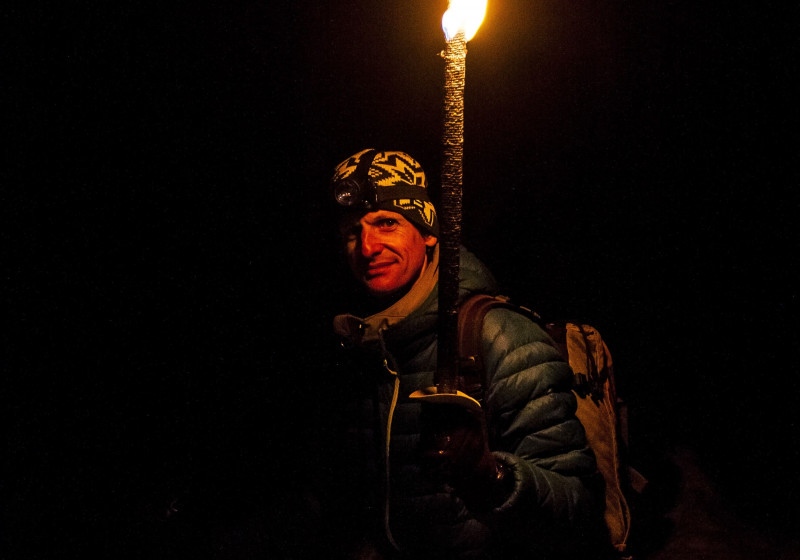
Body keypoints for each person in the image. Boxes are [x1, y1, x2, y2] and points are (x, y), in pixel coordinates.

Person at [306, 148, 608, 560]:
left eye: (387, 223)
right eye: (352, 232)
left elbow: (580, 512)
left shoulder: (499, 336)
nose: (368, 247)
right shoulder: (355, 348)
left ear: (429, 232)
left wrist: (491, 477)